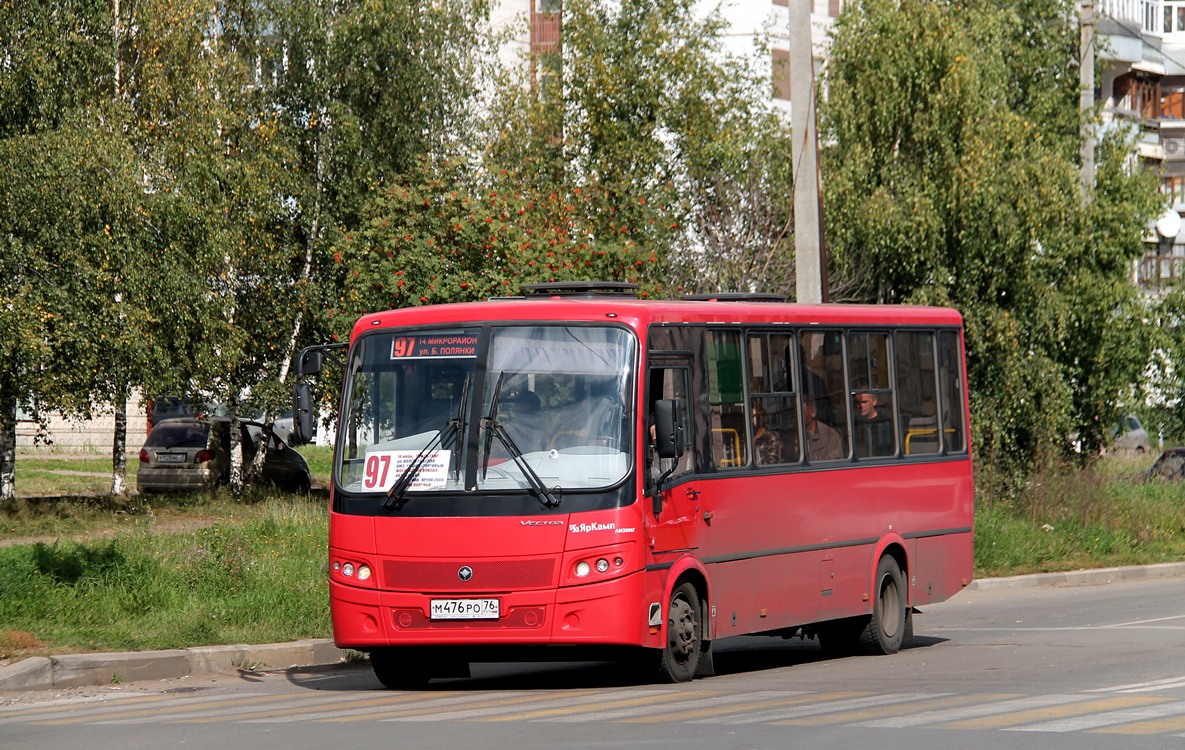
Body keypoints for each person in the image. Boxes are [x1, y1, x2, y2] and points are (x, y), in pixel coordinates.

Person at [853, 390, 894, 458]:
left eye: (865, 402)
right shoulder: (854, 425)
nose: (861, 406)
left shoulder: (886, 423)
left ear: (874, 402)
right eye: (858, 402)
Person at [803, 396, 842, 461]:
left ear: (813, 412)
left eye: (802, 413)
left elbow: (833, 465)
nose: (797, 417)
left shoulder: (830, 435)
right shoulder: (795, 436)